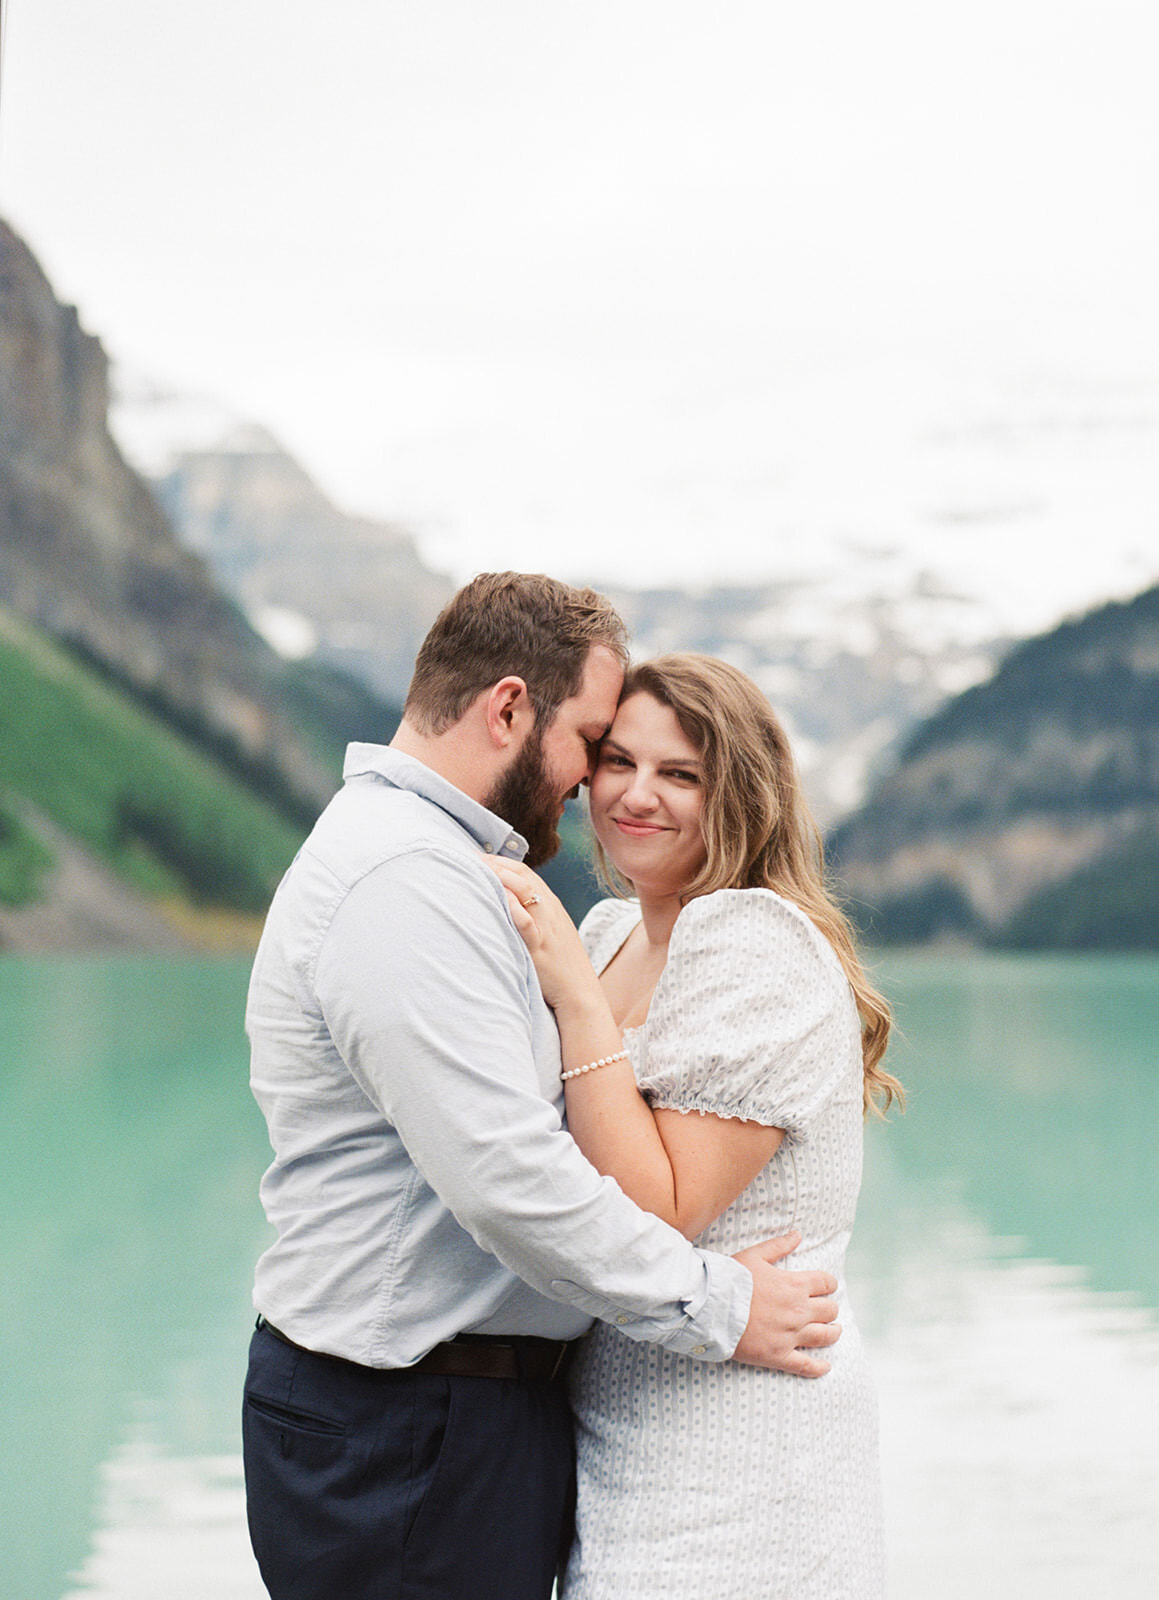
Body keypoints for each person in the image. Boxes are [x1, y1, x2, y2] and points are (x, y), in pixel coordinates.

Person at [241, 575, 842, 1600]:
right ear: (509, 708)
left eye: (671, 770)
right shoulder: (405, 879)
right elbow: (508, 1180)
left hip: (452, 1422)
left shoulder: (441, 864)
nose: (594, 785)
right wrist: (720, 1302)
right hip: (411, 1426)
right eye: (596, 745)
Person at [484, 652, 902, 1600]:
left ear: (740, 795)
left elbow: (655, 1210)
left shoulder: (753, 939)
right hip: (621, 1426)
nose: (636, 795)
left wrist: (574, 1002)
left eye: (681, 775)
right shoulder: (607, 934)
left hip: (744, 1440)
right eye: (617, 761)